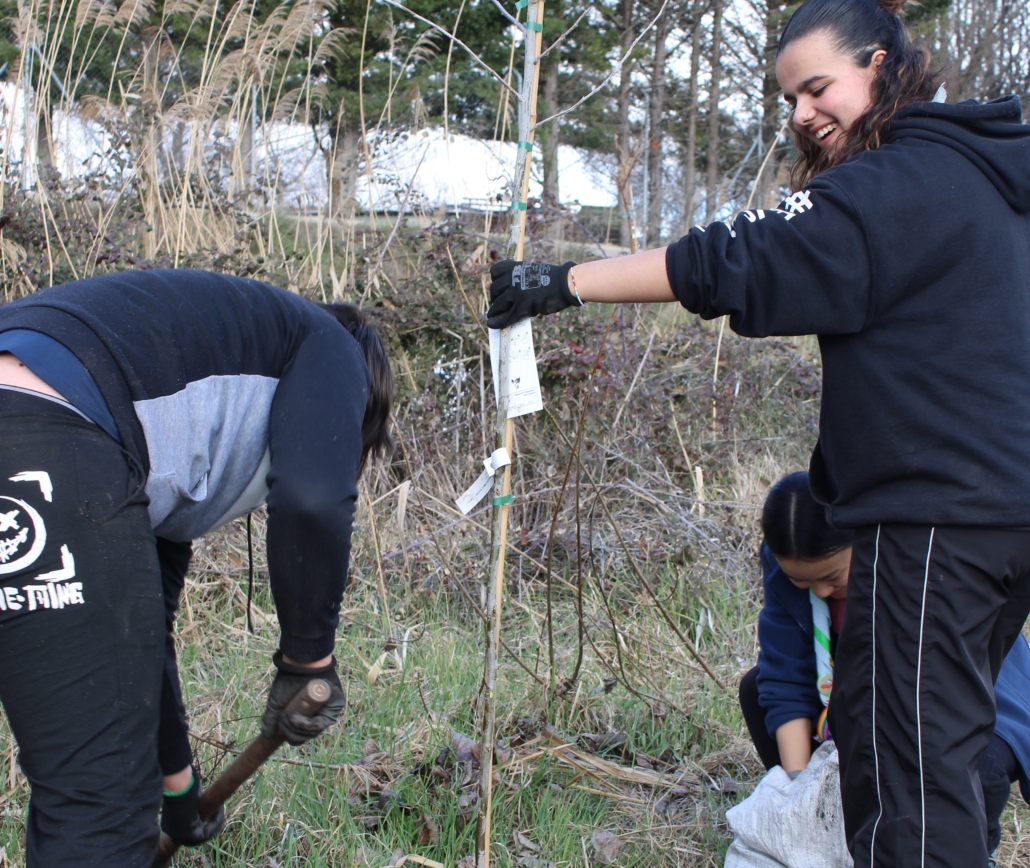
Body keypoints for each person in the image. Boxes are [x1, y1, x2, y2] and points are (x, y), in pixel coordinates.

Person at [486, 0, 1030, 862]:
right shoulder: (991, 179)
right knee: (932, 741)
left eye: (819, 88)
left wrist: (563, 281)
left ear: (881, 65)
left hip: (935, 519)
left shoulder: (890, 186)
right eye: (788, 100)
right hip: (1003, 514)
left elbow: (735, 258)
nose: (803, 115)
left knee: (911, 781)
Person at [0, 269, 393, 866]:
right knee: (98, 812)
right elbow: (314, 499)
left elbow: (130, 640)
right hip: (39, 429)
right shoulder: (330, 343)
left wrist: (178, 792)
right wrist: (306, 662)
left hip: (39, 417)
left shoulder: (156, 413)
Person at [740, 472, 1030, 857]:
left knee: (981, 764)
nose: (820, 593)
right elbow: (785, 672)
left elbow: (927, 692)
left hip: (956, 696)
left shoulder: (913, 563)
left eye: (830, 577)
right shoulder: (790, 570)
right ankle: (835, 827)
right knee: (755, 689)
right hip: (854, 694)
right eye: (800, 581)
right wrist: (800, 791)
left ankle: (971, 851)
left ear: (862, 540)